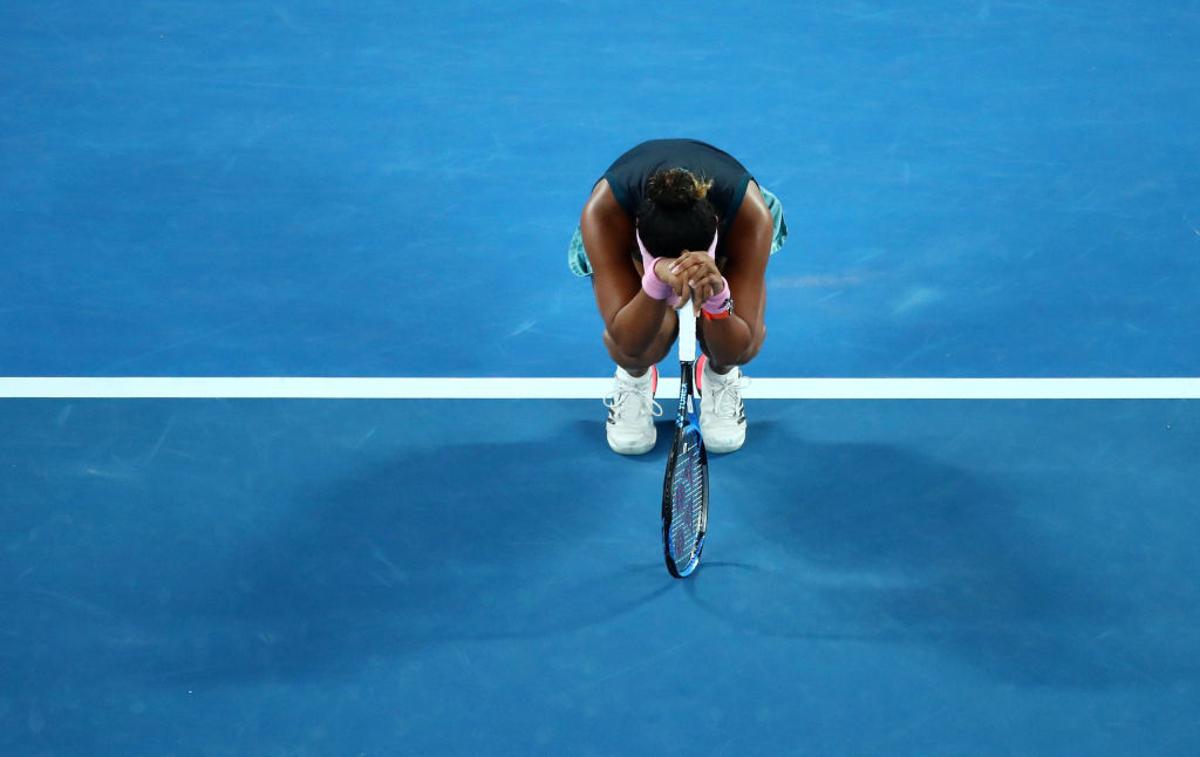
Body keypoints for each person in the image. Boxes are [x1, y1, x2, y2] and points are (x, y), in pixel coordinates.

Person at [569, 139, 788, 455]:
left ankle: (718, 376)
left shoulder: (750, 217)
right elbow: (625, 340)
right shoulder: (603, 215)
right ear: (637, 230)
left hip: (731, 227)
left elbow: (741, 344)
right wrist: (655, 282)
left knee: (741, 346)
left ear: (715, 227)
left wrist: (717, 296)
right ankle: (635, 379)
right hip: (626, 232)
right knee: (636, 349)